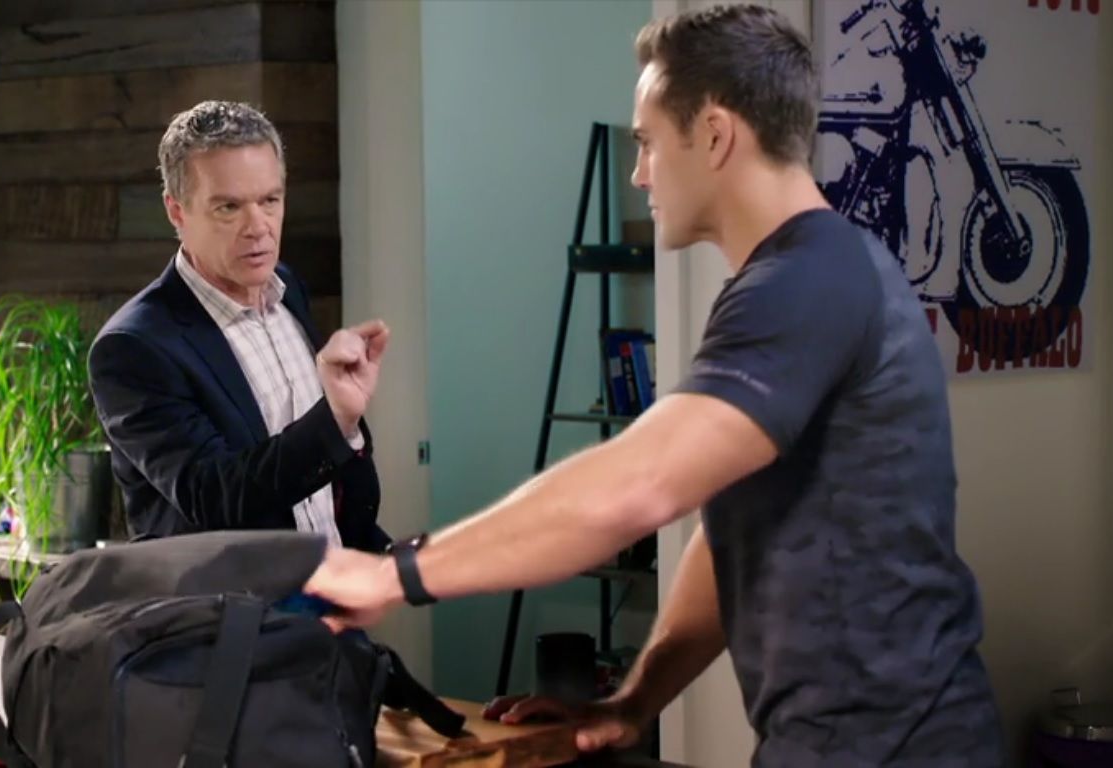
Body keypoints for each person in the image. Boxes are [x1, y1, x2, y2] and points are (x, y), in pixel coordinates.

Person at [303, 6, 1005, 766]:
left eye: (646, 141)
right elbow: (733, 523)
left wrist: (397, 574)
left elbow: (636, 487)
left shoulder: (805, 282)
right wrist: (637, 702)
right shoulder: (811, 273)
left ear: (714, 134)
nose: (638, 172)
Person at [89, 100, 392, 552]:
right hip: (235, 597)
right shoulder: (133, 347)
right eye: (229, 207)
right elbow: (216, 496)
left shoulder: (286, 287)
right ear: (176, 211)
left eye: (270, 200)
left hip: (340, 580)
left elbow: (326, 489)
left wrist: (382, 557)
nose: (259, 227)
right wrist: (334, 419)